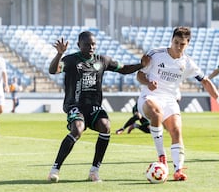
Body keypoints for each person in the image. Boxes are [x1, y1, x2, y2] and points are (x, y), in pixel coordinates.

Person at [47, 32, 149, 183]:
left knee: (105, 125)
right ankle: (54, 170)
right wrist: (59, 54)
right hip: (75, 105)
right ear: (79, 45)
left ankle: (94, 171)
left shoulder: (103, 60)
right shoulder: (70, 60)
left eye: (93, 44)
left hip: (94, 107)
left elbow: (124, 69)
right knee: (77, 129)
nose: (91, 47)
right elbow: (52, 70)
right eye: (87, 44)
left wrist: (141, 65)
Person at [137, 26, 219, 181]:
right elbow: (139, 75)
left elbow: (205, 81)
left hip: (170, 99)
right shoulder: (155, 54)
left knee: (176, 131)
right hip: (150, 96)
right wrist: (148, 82)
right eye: (176, 42)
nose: (178, 46)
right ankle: (162, 158)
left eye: (182, 44)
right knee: (156, 113)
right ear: (171, 40)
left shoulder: (187, 63)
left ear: (188, 44)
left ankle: (178, 170)